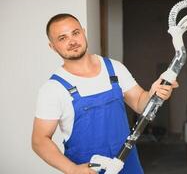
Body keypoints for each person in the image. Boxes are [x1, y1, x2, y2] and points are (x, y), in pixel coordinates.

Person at [31, 13, 178, 174]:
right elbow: (39, 141)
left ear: (83, 32)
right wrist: (72, 169)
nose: (72, 41)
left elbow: (139, 103)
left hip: (128, 165)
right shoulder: (53, 89)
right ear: (52, 46)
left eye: (75, 33)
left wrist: (153, 93)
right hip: (87, 170)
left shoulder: (114, 68)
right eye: (62, 38)